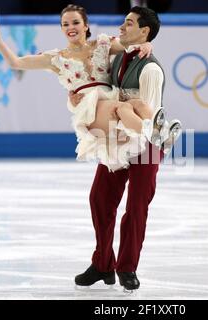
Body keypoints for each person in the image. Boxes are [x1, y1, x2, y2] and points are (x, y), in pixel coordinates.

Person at [73, 6, 181, 292]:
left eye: (129, 23)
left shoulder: (151, 69)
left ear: (144, 31)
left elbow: (148, 114)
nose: (122, 27)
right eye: (123, 22)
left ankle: (127, 267)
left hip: (145, 142)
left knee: (136, 206)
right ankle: (103, 264)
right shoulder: (120, 55)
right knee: (100, 198)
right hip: (117, 138)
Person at [0, 4, 170, 171]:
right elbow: (16, 62)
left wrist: (147, 43)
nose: (70, 27)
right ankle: (153, 137)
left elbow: (130, 40)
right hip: (89, 108)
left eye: (75, 22)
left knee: (138, 104)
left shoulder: (103, 44)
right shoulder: (56, 58)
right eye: (65, 24)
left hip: (110, 96)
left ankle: (164, 133)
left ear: (85, 26)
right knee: (122, 107)